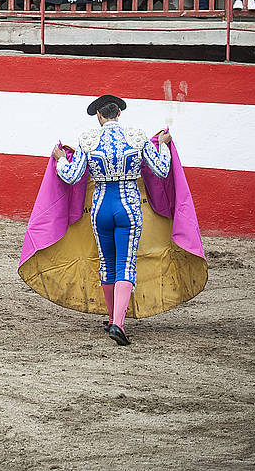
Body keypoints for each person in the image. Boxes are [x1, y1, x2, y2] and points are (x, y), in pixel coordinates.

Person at [51, 94, 172, 346]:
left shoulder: (88, 139)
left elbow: (72, 177)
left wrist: (61, 159)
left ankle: (111, 318)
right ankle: (118, 323)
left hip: (100, 209)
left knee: (107, 263)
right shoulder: (137, 136)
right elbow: (161, 169)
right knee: (126, 264)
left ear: (99, 116)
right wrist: (162, 144)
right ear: (119, 114)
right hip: (128, 207)